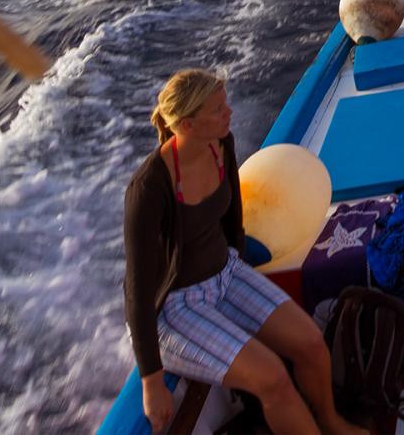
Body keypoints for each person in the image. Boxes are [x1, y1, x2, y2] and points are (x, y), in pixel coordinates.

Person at [124, 69, 361, 434]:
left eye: (225, 105)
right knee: (273, 378)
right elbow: (137, 290)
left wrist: (240, 263)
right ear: (187, 125)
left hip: (226, 273)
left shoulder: (220, 144)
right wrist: (151, 381)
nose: (228, 113)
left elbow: (232, 218)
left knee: (312, 344)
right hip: (178, 306)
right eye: (217, 109)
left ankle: (330, 421)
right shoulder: (149, 188)